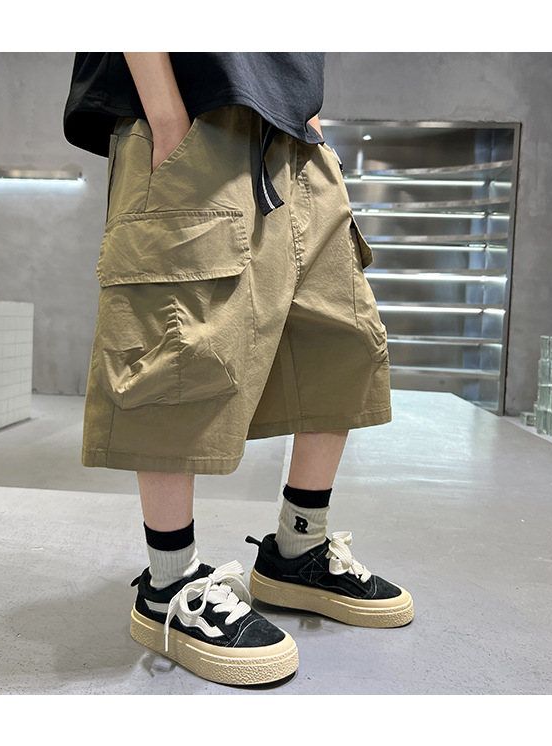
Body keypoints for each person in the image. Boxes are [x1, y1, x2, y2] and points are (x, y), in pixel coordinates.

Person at [63, 52, 413, 686]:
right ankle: (169, 586)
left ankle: (297, 551)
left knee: (343, 343)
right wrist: (168, 119)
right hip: (196, 120)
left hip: (297, 138)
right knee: (177, 354)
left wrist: (309, 118)